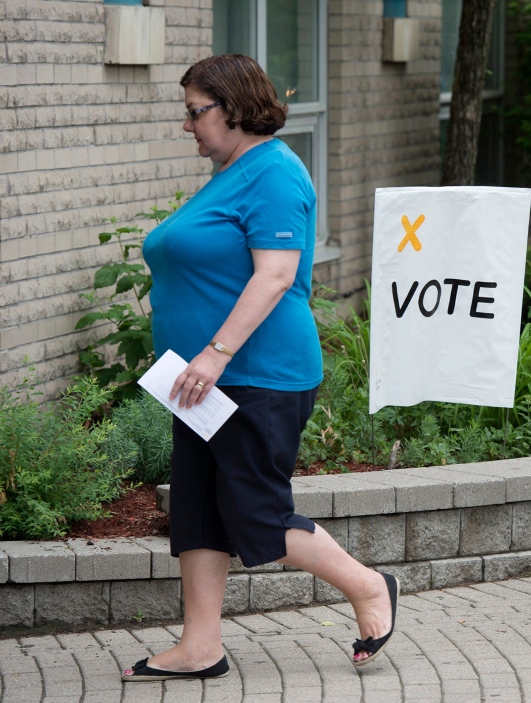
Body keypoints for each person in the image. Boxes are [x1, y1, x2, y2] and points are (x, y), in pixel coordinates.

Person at [122, 54, 398, 681]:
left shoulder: (273, 172)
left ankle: (369, 587)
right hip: (198, 381)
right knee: (198, 507)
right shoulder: (232, 172)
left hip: (256, 374)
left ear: (235, 106)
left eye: (196, 112)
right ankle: (200, 646)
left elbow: (275, 276)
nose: (187, 125)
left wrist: (215, 354)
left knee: (256, 513)